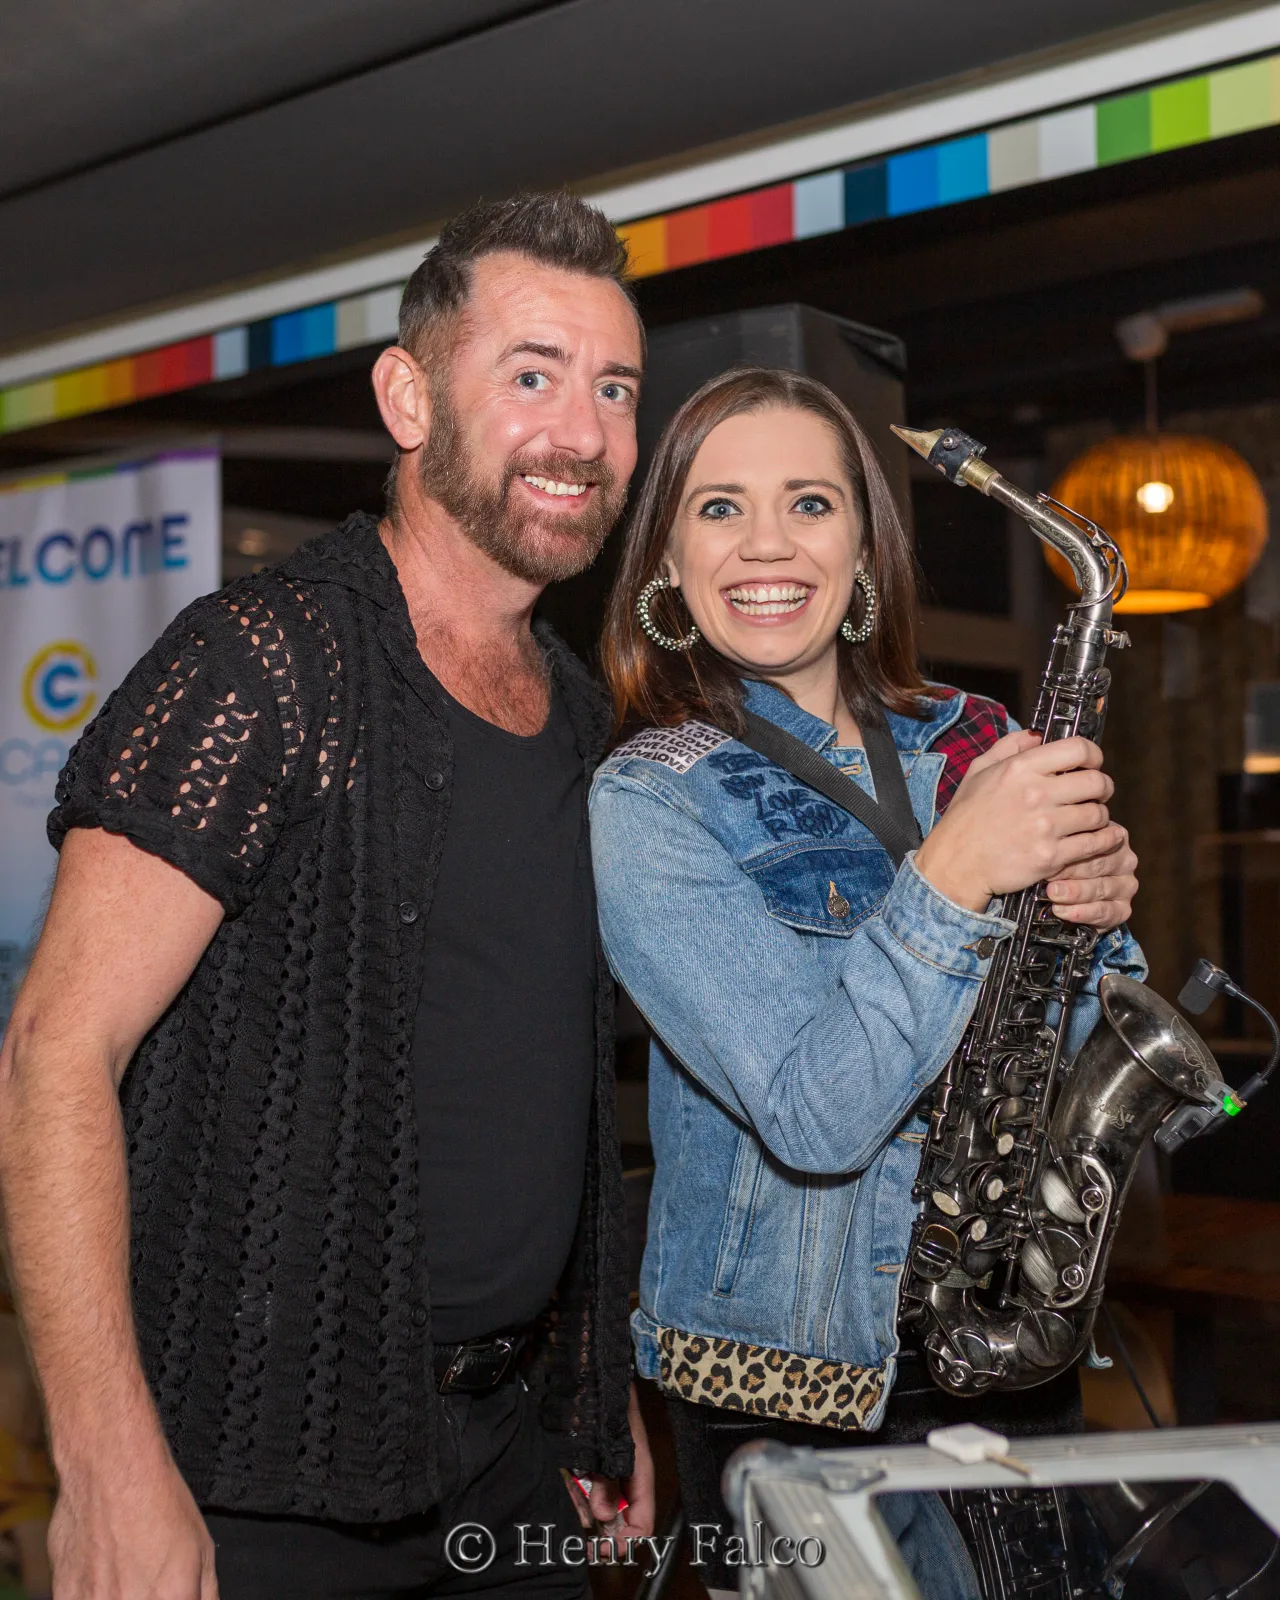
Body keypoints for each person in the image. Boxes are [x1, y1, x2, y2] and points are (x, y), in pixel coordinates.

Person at [0, 191, 655, 1600]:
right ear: (408, 399)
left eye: (615, 388)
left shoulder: (582, 718)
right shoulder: (264, 663)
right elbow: (54, 1053)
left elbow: (550, 1103)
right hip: (256, 1473)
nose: (583, 430)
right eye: (532, 375)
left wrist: (594, 1389)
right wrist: (104, 1462)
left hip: (512, 1458)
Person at [589, 367, 1143, 1592]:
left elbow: (1082, 1026)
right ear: (667, 560)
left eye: (809, 502)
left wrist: (1097, 917)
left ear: (864, 548)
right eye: (719, 508)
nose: (767, 543)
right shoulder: (647, 796)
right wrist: (953, 872)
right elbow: (814, 1115)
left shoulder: (975, 737)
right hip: (797, 1389)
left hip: (1012, 1338)